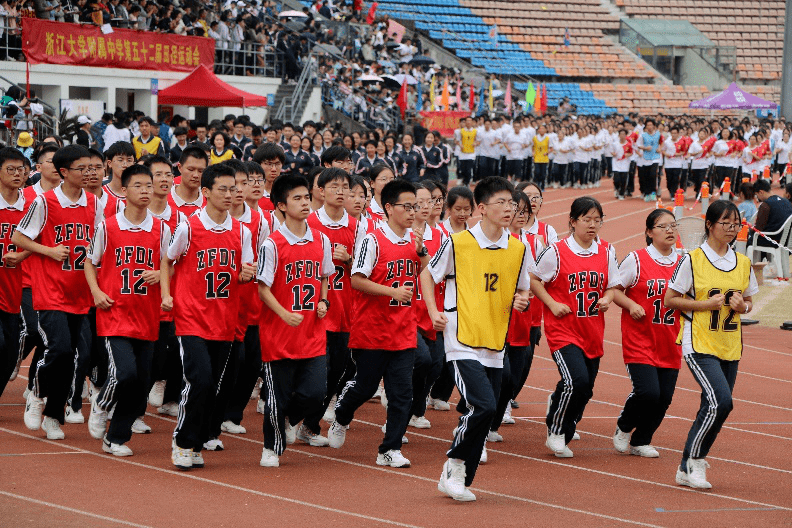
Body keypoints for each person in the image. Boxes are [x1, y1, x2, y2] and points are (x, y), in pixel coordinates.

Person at [420, 176, 533, 502]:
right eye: (502, 203)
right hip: (461, 338)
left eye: (512, 203)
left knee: (487, 409)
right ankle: (454, 468)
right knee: (482, 405)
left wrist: (519, 299)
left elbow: (521, 286)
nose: (509, 209)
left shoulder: (518, 248)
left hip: (495, 341)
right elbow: (428, 274)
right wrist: (433, 312)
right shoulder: (459, 243)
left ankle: (459, 472)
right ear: (481, 209)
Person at [327, 179, 430, 469]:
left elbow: (422, 268)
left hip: (404, 327)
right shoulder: (372, 239)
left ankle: (390, 448)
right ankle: (342, 415)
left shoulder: (414, 238)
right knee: (365, 385)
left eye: (415, 206)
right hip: (372, 328)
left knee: (402, 392)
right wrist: (392, 292)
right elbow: (357, 279)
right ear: (388, 207)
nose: (412, 212)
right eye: (406, 206)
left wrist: (421, 252)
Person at [160, 163, 255, 470]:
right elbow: (168, 260)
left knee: (213, 385)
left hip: (225, 321)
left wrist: (245, 274)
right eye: (223, 189)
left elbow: (245, 273)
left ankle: (199, 439)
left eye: (233, 189)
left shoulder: (241, 231)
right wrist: (166, 294)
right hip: (191, 318)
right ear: (206, 192)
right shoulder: (189, 226)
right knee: (199, 380)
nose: (230, 194)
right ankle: (184, 442)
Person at [665, 200, 758, 489]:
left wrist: (743, 306)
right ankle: (695, 461)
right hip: (699, 342)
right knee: (722, 401)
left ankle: (685, 467)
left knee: (714, 406)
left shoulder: (742, 263)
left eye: (736, 224)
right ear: (710, 225)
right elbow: (670, 300)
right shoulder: (692, 260)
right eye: (725, 223)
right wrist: (703, 304)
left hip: (730, 344)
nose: (731, 229)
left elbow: (749, 302)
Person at [14, 145, 103, 440]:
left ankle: (54, 414)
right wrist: (49, 251)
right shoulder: (45, 202)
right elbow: (19, 237)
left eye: (92, 168)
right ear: (64, 172)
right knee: (60, 348)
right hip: (50, 290)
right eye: (83, 168)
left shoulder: (94, 203)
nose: (90, 173)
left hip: (80, 291)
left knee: (73, 356)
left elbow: (102, 244)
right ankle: (37, 396)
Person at [84, 164, 168, 456]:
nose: (146, 191)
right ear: (124, 190)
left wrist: (160, 276)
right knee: (124, 373)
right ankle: (101, 404)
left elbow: (170, 266)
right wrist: (96, 292)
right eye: (139, 186)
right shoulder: (108, 226)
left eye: (149, 185)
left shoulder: (161, 228)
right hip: (114, 313)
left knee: (140, 384)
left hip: (147, 315)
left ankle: (116, 438)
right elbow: (89, 262)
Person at [530, 196, 620, 458]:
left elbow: (613, 285)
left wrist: (606, 299)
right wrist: (552, 304)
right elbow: (535, 280)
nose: (592, 225)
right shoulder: (557, 252)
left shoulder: (605, 252)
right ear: (573, 222)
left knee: (585, 387)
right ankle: (557, 431)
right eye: (587, 219)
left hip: (592, 331)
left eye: (597, 220)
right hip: (563, 330)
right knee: (576, 381)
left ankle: (558, 402)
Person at [257, 174, 334, 467]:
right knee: (277, 395)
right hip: (279, 333)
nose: (304, 203)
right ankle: (270, 446)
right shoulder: (272, 245)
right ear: (281, 205)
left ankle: (289, 421)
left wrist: (324, 300)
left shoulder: (321, 239)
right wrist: (283, 313)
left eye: (306, 197)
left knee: (315, 393)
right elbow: (263, 287)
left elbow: (325, 275)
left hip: (312, 332)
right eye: (297, 198)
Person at [301, 168, 366, 438]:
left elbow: (364, 269)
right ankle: (295, 414)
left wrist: (349, 259)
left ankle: (308, 425)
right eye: (334, 187)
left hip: (345, 309)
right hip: (315, 307)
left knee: (337, 371)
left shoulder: (357, 225)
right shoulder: (309, 222)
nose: (340, 192)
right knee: (316, 370)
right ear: (321, 191)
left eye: (345, 188)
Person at [612, 209, 681, 458]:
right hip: (640, 338)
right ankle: (623, 426)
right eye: (663, 226)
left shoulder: (684, 262)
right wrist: (631, 305)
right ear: (649, 232)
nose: (670, 230)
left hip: (671, 338)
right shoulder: (636, 259)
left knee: (664, 398)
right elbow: (615, 289)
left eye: (673, 225)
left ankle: (642, 440)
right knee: (648, 392)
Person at [0, 147, 31, 398]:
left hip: (17, 287)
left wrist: (23, 255)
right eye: (11, 169)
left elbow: (46, 241)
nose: (17, 174)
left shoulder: (32, 206)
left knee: (10, 355)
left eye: (21, 169)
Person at [169, 146, 208, 216]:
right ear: (180, 167)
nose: (196, 175)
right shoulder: (163, 199)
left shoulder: (210, 203)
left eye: (201, 171)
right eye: (191, 169)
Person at [752, 178, 792, 247]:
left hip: (770, 240)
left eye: (756, 195)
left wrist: (750, 229)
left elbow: (758, 229)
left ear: (761, 192)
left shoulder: (766, 205)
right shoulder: (787, 202)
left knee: (745, 240)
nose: (757, 198)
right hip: (786, 240)